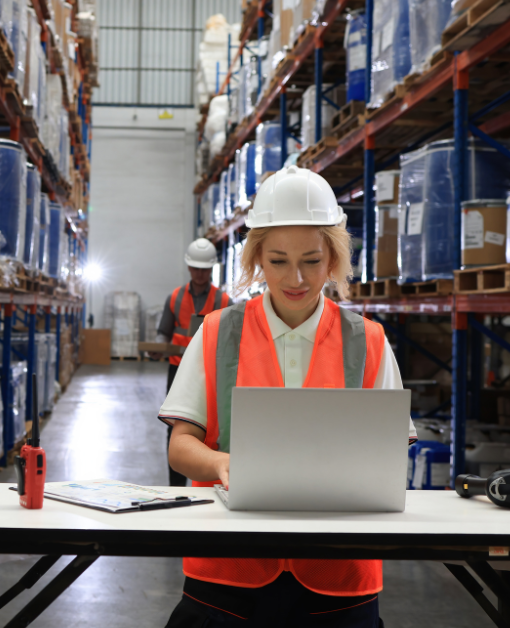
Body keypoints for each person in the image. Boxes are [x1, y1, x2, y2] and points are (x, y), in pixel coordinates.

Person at [157, 166, 418, 627]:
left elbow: (393, 452)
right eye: (278, 261)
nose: (295, 278)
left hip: (338, 572)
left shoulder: (369, 341)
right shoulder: (217, 333)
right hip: (228, 568)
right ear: (257, 259)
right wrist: (220, 464)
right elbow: (181, 445)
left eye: (312, 261)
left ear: (334, 258)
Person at [154, 237, 231, 487]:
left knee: (208, 427)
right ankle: (175, 487)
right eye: (196, 268)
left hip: (211, 372)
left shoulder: (224, 302)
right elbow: (164, 332)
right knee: (177, 428)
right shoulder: (175, 298)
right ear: (189, 267)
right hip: (177, 369)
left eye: (205, 269)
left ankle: (208, 478)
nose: (200, 274)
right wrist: (157, 348)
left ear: (211, 270)